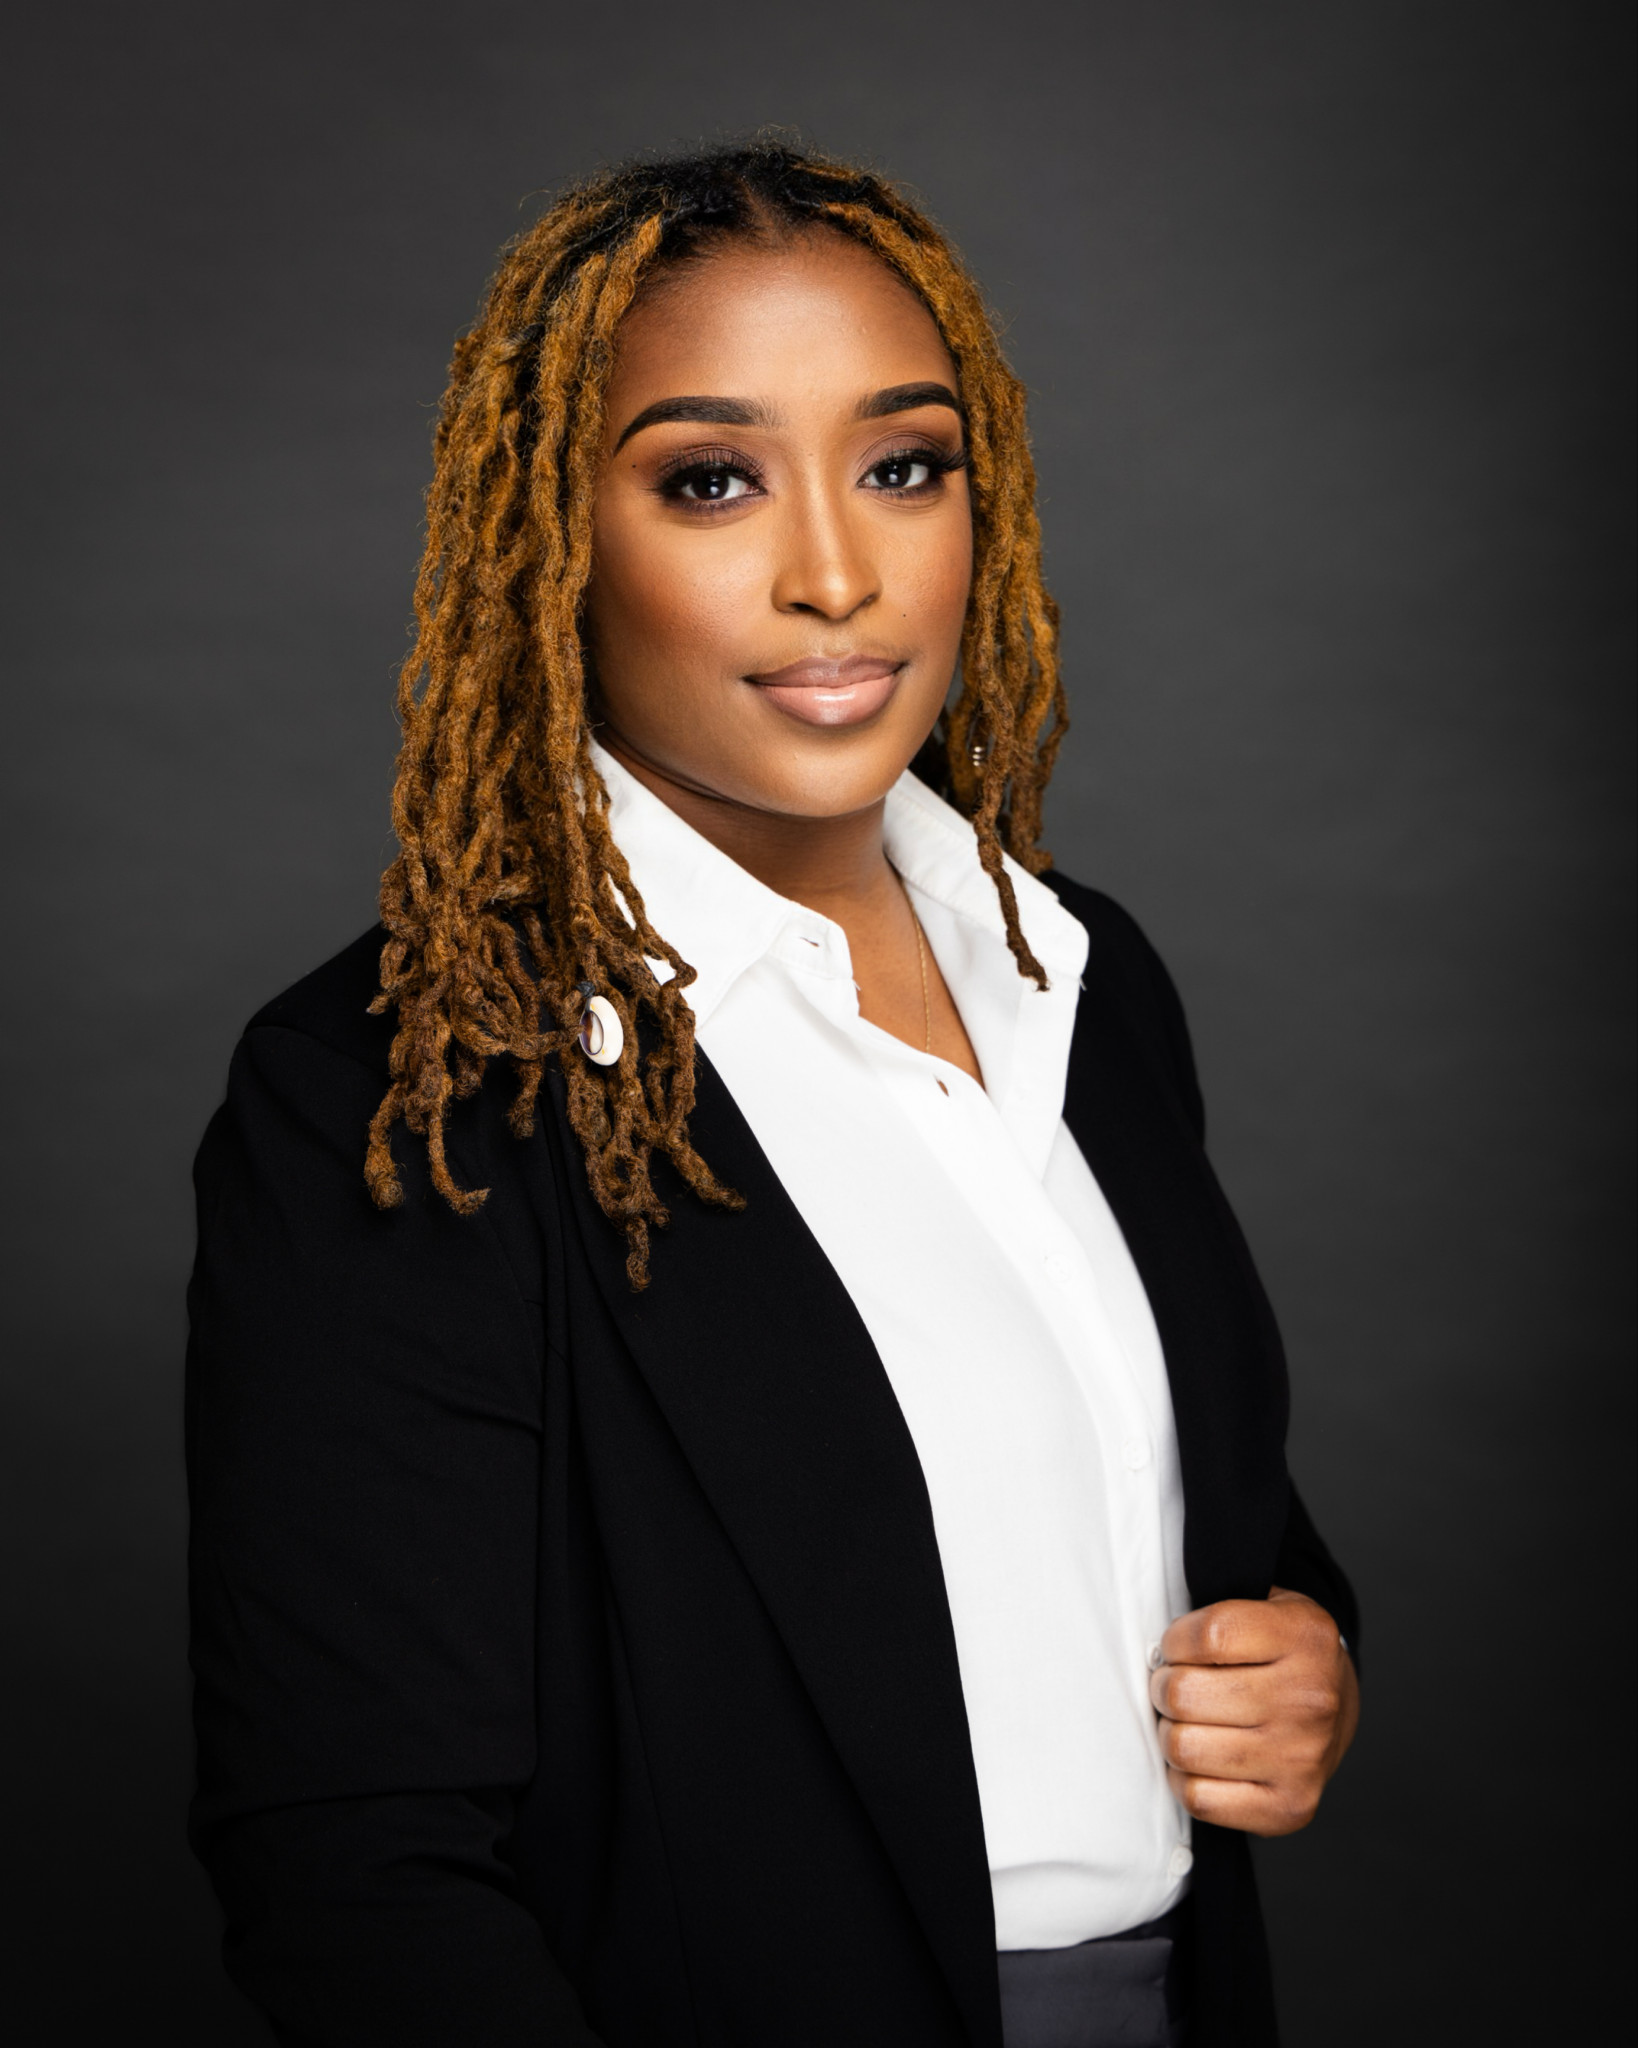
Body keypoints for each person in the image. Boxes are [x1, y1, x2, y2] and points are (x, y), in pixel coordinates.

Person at [186, 141, 1359, 2048]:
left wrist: (1300, 1650)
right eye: (709, 480)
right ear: (551, 537)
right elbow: (355, 1867)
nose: (835, 573)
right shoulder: (411, 1092)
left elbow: (1180, 1513)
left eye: (903, 466)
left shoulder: (1078, 979)